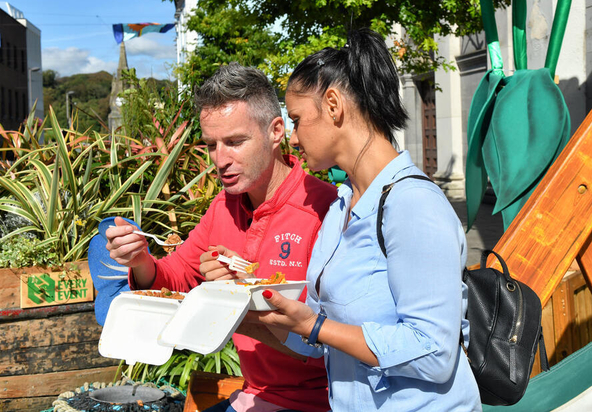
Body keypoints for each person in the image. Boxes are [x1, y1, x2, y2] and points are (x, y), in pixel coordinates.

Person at [251, 29, 482, 411]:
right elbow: (329, 335)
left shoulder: (413, 206)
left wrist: (316, 327)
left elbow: (435, 354)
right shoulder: (342, 206)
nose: (292, 138)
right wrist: (250, 315)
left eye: (296, 119)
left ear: (332, 104)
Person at [106, 62, 337, 412]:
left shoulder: (323, 209)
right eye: (211, 145)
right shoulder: (224, 206)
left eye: (234, 142)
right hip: (255, 395)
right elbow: (176, 277)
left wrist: (239, 296)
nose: (220, 160)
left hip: (321, 401)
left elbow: (337, 339)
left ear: (276, 131)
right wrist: (140, 260)